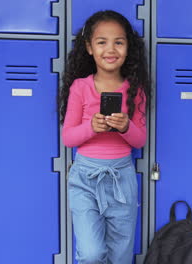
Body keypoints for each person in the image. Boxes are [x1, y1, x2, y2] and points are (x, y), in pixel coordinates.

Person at [58, 10, 150, 264]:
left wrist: (125, 127)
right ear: (89, 47)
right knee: (91, 253)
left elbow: (139, 140)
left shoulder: (135, 91)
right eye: (102, 42)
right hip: (85, 178)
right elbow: (68, 138)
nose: (111, 49)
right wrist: (92, 126)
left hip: (122, 178)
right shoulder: (81, 87)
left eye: (118, 42)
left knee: (120, 255)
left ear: (128, 48)